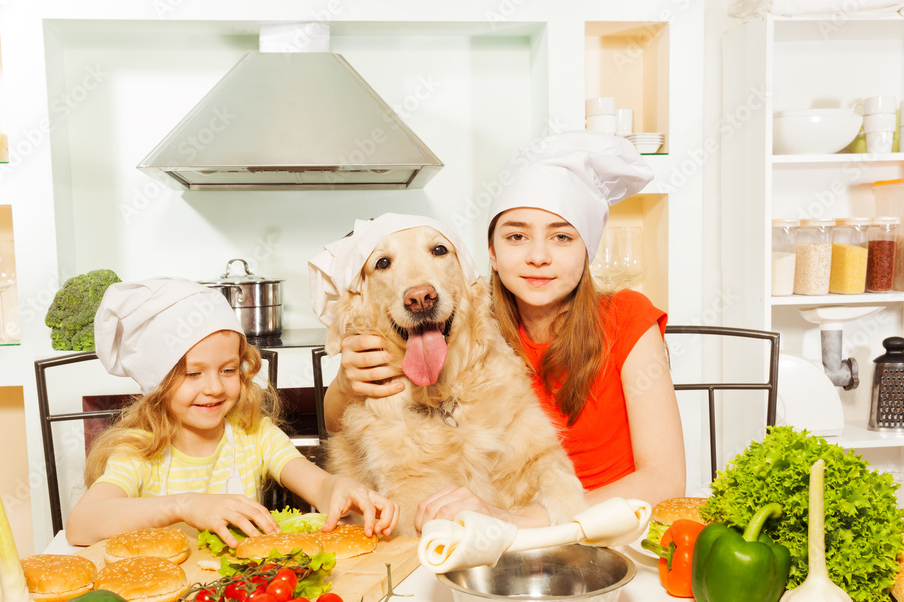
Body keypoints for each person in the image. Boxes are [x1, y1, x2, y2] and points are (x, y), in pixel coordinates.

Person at [323, 131, 686, 532]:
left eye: (562, 237)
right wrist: (344, 384)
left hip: (612, 527)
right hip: (512, 541)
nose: (537, 256)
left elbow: (666, 481)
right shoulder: (476, 326)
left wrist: (522, 519)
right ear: (490, 255)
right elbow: (348, 428)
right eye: (516, 236)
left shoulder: (625, 317)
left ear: (588, 250)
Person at [66, 277, 398, 546]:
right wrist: (185, 505)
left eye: (228, 370)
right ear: (158, 382)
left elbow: (318, 486)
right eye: (193, 373)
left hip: (239, 595)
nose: (214, 387)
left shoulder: (255, 435)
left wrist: (338, 489)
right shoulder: (140, 450)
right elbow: (80, 525)